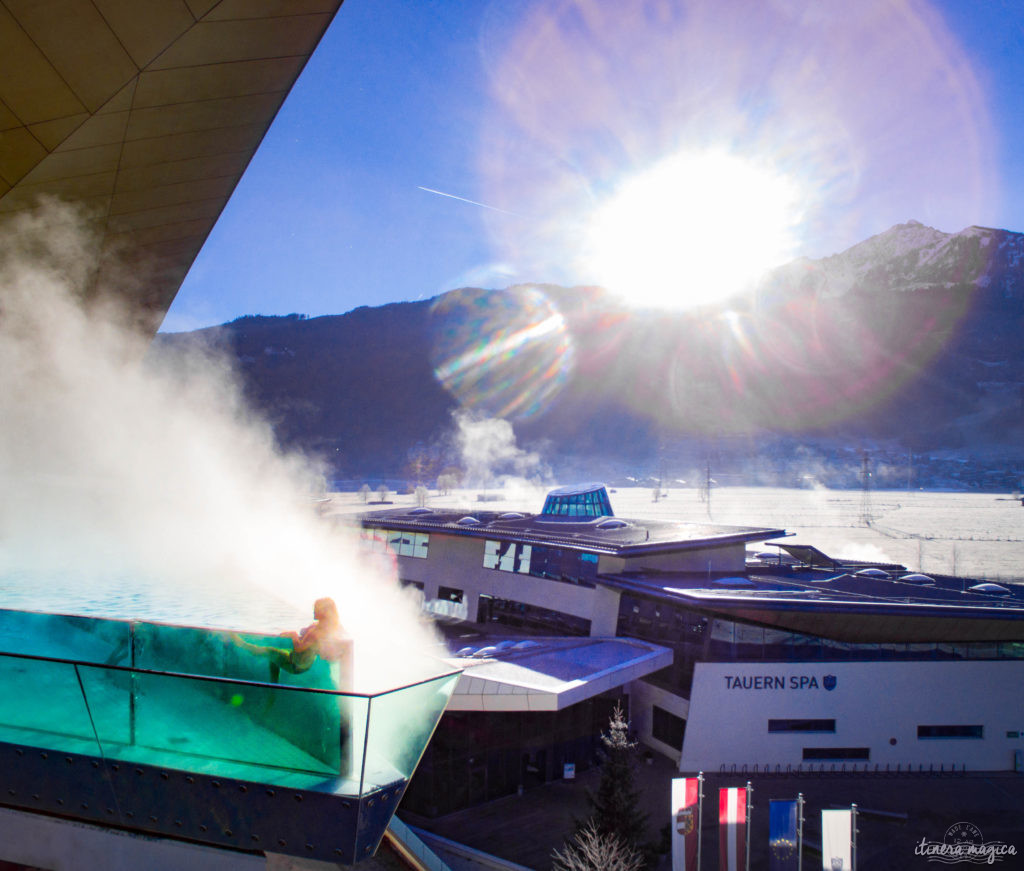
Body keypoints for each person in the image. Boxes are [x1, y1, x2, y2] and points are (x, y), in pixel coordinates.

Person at [233, 597, 352, 684]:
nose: (313, 610)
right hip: (302, 662)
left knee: (268, 651)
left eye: (316, 608)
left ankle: (241, 644)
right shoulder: (324, 627)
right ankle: (274, 686)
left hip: (295, 665)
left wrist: (293, 635)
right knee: (274, 657)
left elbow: (299, 648)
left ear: (324, 612)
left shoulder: (317, 632)